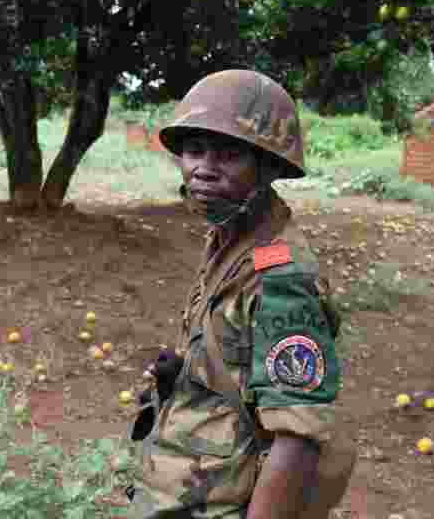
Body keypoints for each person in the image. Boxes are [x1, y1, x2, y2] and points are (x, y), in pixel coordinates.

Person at [126, 69, 357, 519]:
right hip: (185, 484)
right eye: (194, 151)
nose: (204, 170)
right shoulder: (229, 241)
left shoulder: (283, 279)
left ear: (269, 166)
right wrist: (188, 370)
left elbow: (298, 438)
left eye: (229, 155)